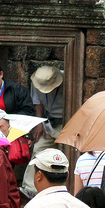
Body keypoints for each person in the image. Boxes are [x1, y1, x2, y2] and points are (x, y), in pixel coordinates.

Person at [21, 65, 66, 195]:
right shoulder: (37, 81)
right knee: (38, 151)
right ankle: (30, 188)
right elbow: (37, 102)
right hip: (47, 122)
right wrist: (39, 123)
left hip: (64, 121)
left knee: (65, 153)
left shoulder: (67, 79)